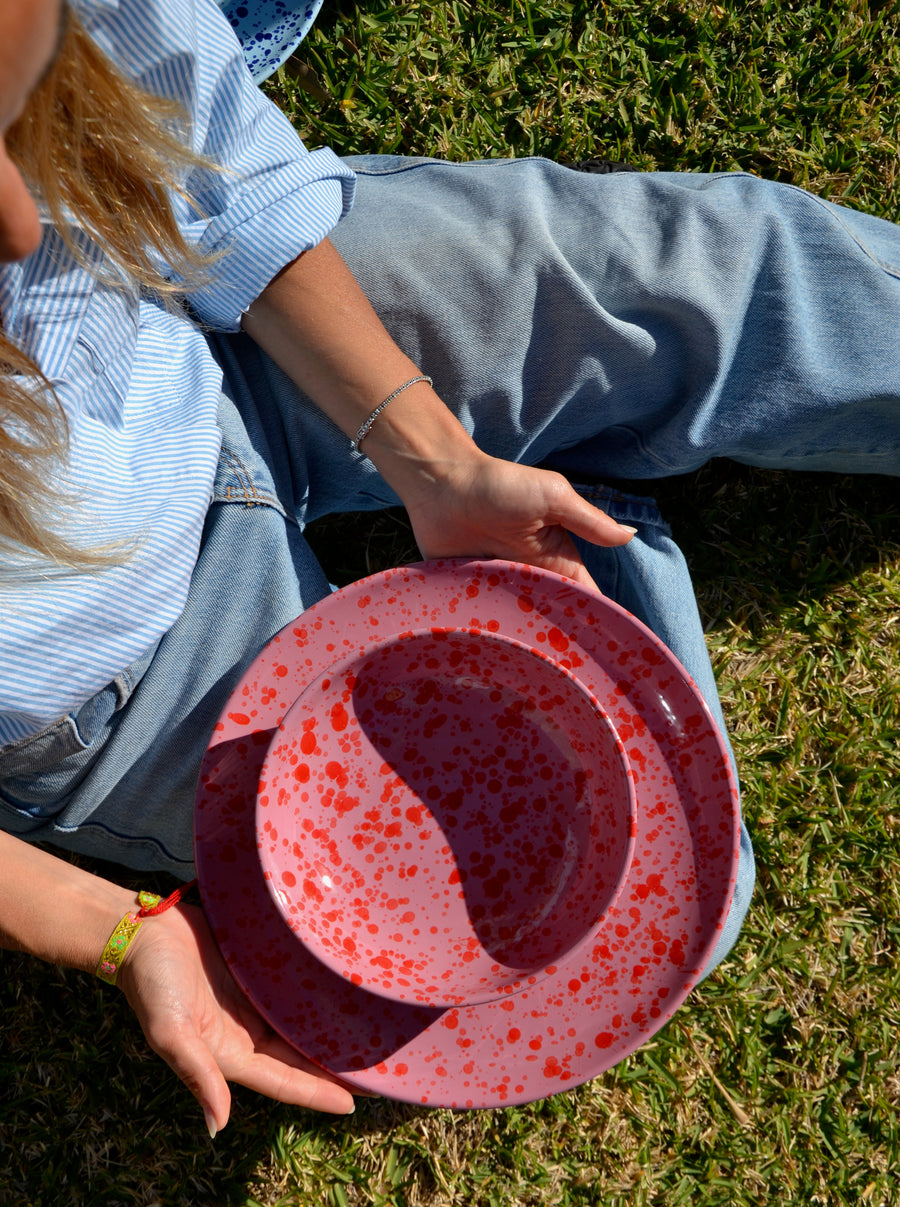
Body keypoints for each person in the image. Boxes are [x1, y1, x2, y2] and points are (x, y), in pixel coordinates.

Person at [1, 0, 897, 1137]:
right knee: (659, 913)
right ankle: (601, 545)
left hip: (203, 303)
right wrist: (108, 926)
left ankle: (556, 541)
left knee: (731, 271)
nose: (24, 230)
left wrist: (433, 456)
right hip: (118, 663)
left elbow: (184, 112)